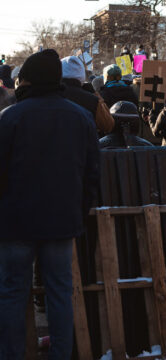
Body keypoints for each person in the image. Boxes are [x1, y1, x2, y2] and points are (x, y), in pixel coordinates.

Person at [0, 49, 99, 359]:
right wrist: (78, 215)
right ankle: (61, 354)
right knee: (60, 294)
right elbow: (91, 176)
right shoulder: (81, 117)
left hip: (16, 224)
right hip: (61, 221)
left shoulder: (10, 117)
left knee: (13, 294)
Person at [61, 56, 114, 135]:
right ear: (81, 74)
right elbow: (108, 125)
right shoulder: (92, 100)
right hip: (82, 145)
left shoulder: (50, 96)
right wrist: (96, 95)